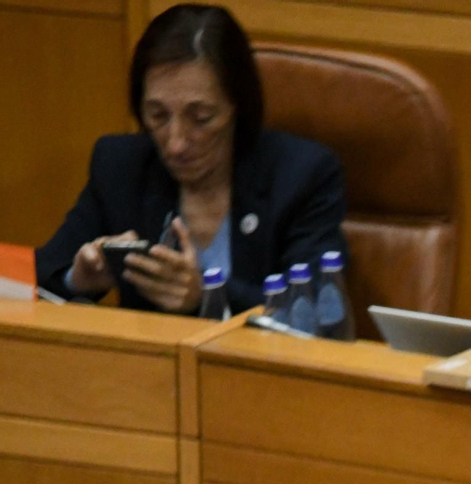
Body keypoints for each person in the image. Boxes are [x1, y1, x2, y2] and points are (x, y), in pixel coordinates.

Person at [35, 4, 347, 317]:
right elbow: (35, 280)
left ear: (237, 106)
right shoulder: (121, 167)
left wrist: (207, 295)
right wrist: (77, 280)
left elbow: (316, 309)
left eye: (201, 118)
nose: (176, 143)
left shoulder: (302, 175)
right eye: (158, 116)